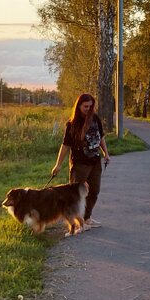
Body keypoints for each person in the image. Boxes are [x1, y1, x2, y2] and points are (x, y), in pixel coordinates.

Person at [52, 93, 110, 228]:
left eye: (90, 106)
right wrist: (58, 165)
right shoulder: (72, 124)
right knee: (75, 194)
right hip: (79, 164)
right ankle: (75, 222)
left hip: (95, 161)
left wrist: (106, 153)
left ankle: (87, 218)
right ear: (78, 106)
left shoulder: (95, 119)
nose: (88, 109)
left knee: (94, 191)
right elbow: (65, 145)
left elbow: (101, 137)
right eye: (85, 106)